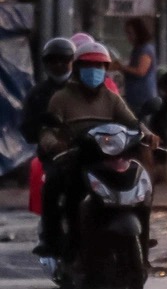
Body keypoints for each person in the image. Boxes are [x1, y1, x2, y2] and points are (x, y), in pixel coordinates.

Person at [36, 42, 160, 258]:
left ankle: (141, 236)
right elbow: (48, 132)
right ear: (77, 68)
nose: (95, 71)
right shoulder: (61, 98)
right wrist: (54, 144)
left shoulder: (111, 98)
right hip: (77, 158)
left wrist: (147, 133)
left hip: (110, 158)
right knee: (53, 184)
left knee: (141, 186)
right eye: (89, 66)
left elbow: (132, 122)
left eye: (100, 66)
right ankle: (54, 241)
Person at [20, 38, 75, 151]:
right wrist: (42, 123)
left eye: (64, 59)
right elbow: (27, 132)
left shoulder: (83, 90)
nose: (59, 64)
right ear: (45, 63)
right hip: (50, 156)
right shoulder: (37, 94)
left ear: (73, 61)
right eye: (52, 60)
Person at [114, 17, 157, 114]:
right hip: (134, 98)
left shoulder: (146, 49)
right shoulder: (137, 50)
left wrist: (121, 67)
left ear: (138, 32)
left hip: (143, 98)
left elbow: (141, 71)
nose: (129, 37)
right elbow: (132, 71)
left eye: (130, 33)